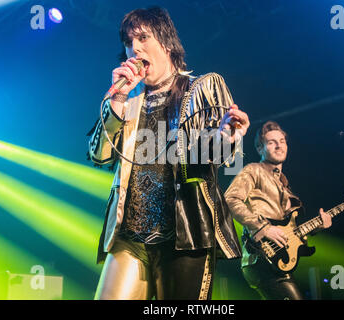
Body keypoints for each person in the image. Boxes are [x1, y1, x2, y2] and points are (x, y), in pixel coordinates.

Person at [87, 7, 250, 300]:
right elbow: (99, 156)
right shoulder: (127, 103)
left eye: (143, 37)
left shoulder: (202, 87)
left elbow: (217, 155)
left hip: (184, 235)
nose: (133, 48)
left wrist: (226, 135)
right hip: (129, 236)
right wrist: (117, 102)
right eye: (127, 41)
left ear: (167, 43)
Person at [224, 121, 331, 300]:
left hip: (280, 259)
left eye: (282, 141)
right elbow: (230, 199)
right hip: (261, 258)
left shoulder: (285, 185)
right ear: (260, 148)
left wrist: (319, 226)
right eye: (272, 142)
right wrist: (263, 228)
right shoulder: (254, 170)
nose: (279, 145)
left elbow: (290, 230)